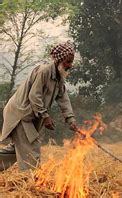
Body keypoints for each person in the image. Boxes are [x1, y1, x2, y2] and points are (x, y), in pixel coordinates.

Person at [0, 41, 78, 171]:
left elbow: (63, 98)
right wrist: (45, 116)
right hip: (20, 114)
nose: (70, 65)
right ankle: (31, 181)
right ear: (59, 60)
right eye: (68, 62)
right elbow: (34, 96)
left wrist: (71, 119)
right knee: (31, 146)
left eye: (71, 62)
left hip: (28, 116)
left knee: (18, 150)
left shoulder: (59, 77)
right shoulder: (44, 71)